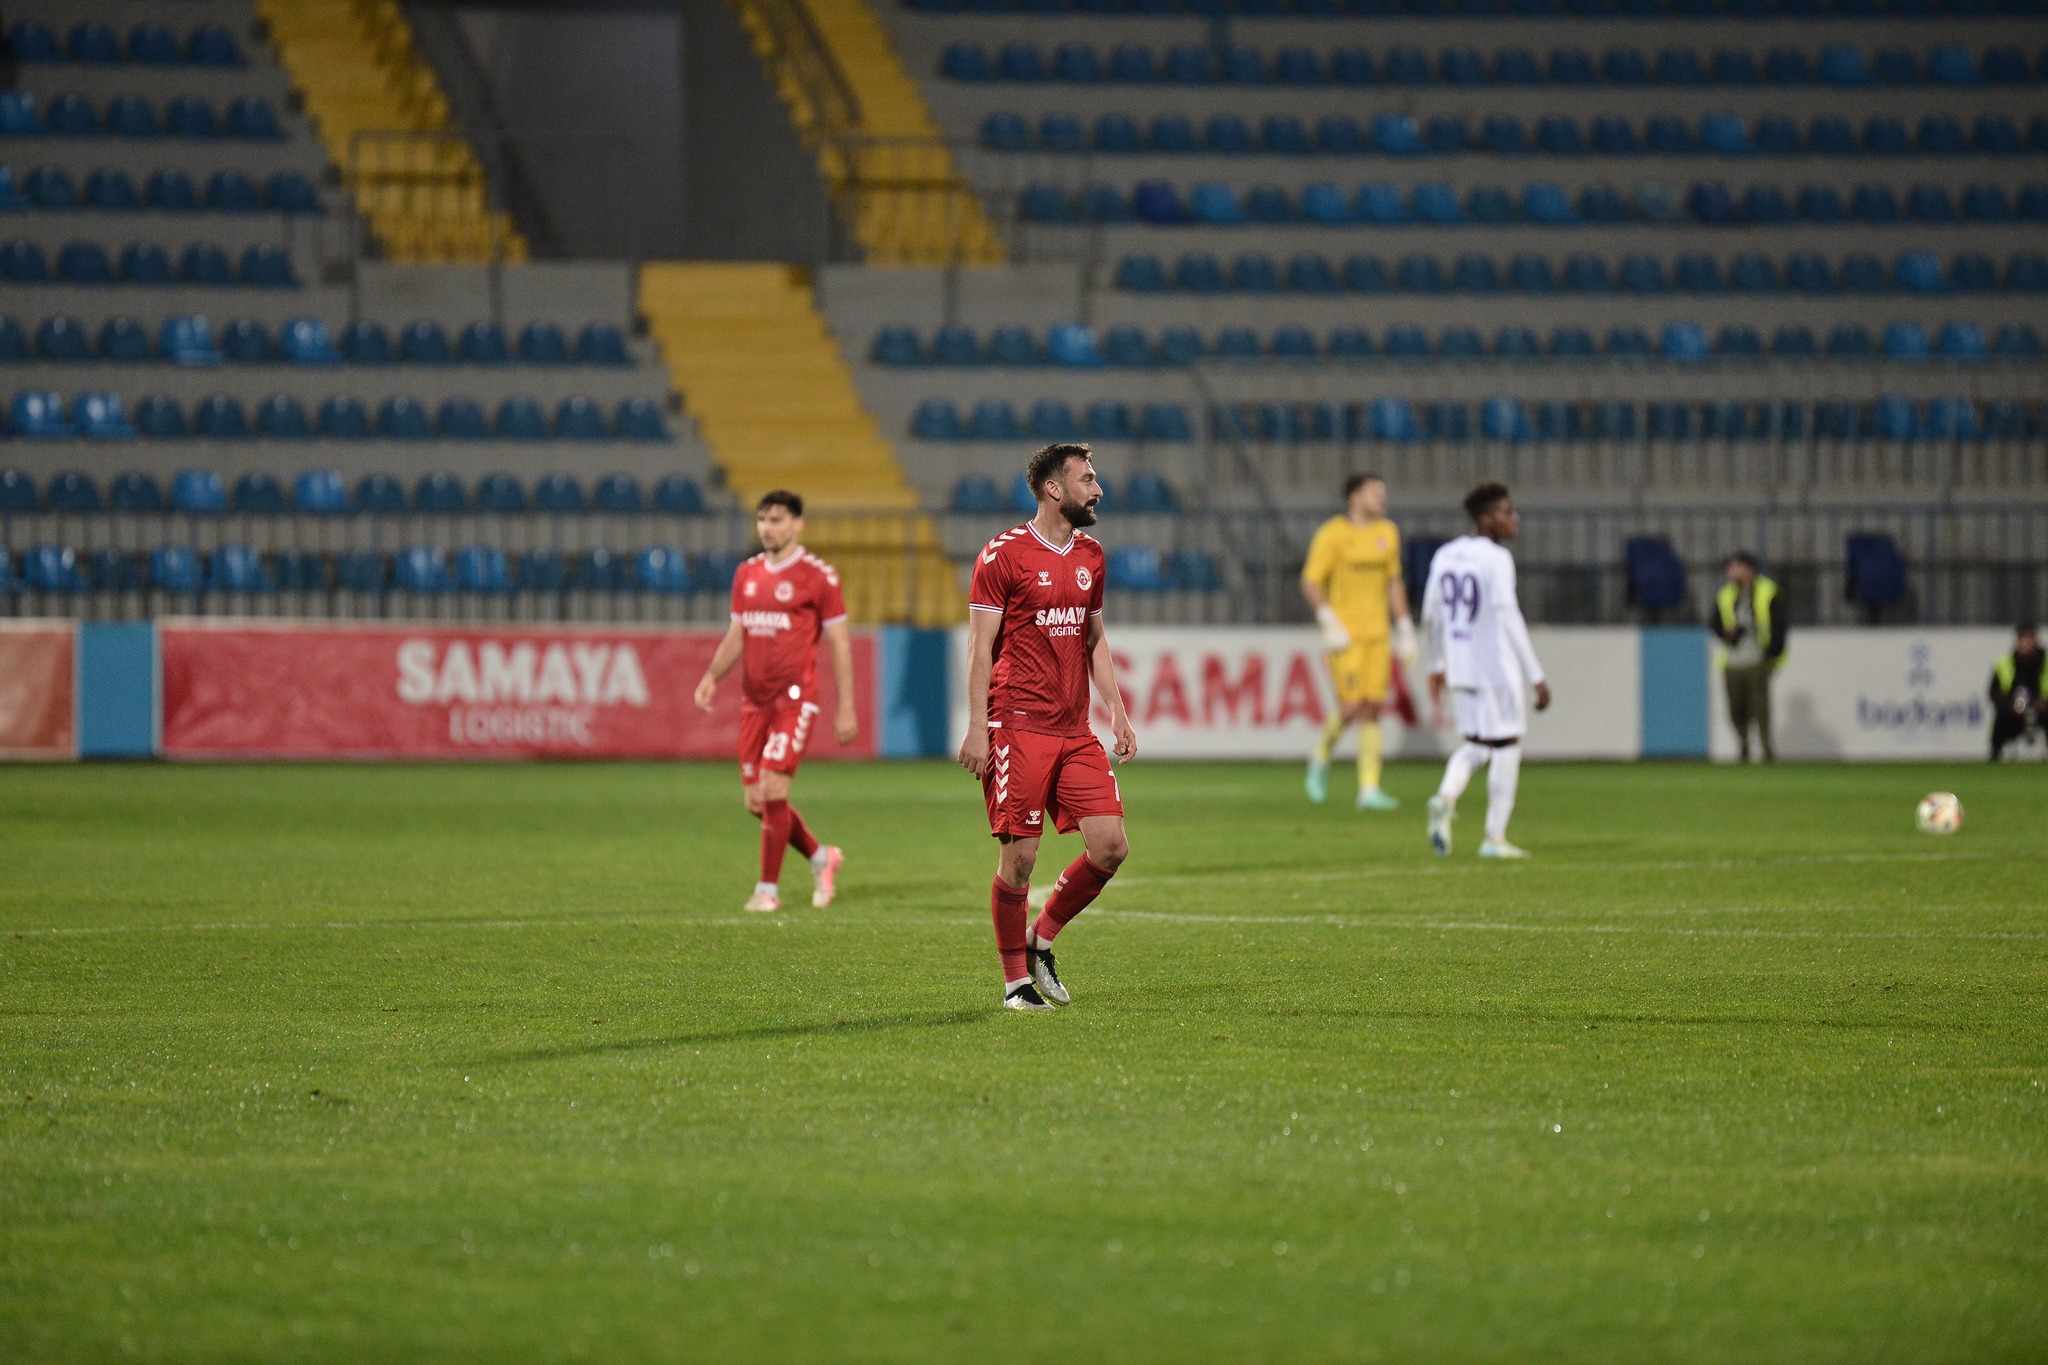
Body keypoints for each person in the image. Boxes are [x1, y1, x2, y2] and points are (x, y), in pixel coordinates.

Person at [959, 442, 1138, 1013]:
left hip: (1073, 728)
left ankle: (1042, 936)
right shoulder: (1002, 556)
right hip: (1016, 725)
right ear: (1054, 489)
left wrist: (1118, 710)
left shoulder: (1091, 556)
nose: (1098, 488)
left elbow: (1094, 638)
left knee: (1110, 847)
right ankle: (1016, 985)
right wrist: (976, 728)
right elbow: (980, 647)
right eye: (1087, 479)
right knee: (1020, 861)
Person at [693, 490, 855, 913]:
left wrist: (846, 706)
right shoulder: (746, 574)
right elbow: (737, 635)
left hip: (795, 700)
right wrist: (712, 675)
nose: (768, 527)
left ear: (798, 523)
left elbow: (838, 643)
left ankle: (767, 890)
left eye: (777, 519)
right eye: (763, 519)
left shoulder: (818, 576)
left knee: (772, 788)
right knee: (757, 801)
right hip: (754, 702)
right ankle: (822, 856)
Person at [1422, 482, 1550, 860]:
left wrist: (1435, 664)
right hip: (1496, 668)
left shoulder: (1446, 554)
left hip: (1460, 666)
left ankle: (1445, 798)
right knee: (1507, 746)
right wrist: (1536, 675)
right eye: (1507, 512)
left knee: (1477, 745)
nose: (1514, 519)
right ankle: (1494, 838)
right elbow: (1508, 616)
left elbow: (1432, 614)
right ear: (1486, 519)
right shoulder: (1496, 559)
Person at [1300, 474, 1419, 811]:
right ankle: (1321, 756)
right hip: (1345, 638)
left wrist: (1406, 626)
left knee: (1373, 709)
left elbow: (1393, 583)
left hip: (1378, 635)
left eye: (1383, 491)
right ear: (1354, 497)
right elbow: (1310, 583)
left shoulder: (1387, 533)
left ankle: (1369, 788)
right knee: (1351, 707)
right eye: (1374, 491)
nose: (1382, 497)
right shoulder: (1333, 534)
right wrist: (1328, 620)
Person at [1712, 552, 1787, 763]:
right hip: (1733, 661)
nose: (1730, 572)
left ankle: (1766, 749)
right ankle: (1743, 745)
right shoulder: (1726, 594)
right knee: (1736, 708)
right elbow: (1715, 624)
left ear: (1748, 569)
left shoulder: (1768, 591)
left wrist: (1772, 654)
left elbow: (1780, 626)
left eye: (1734, 567)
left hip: (1757, 660)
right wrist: (1728, 633)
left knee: (1760, 708)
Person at [1990, 623, 2046, 760]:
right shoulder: (2005, 662)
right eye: (2023, 639)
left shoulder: (2045, 663)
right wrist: (2009, 705)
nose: (2026, 644)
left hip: (2041, 709)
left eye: (2030, 639)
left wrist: (2043, 702)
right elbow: (1993, 692)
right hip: (2013, 709)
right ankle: (1996, 753)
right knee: (2001, 717)